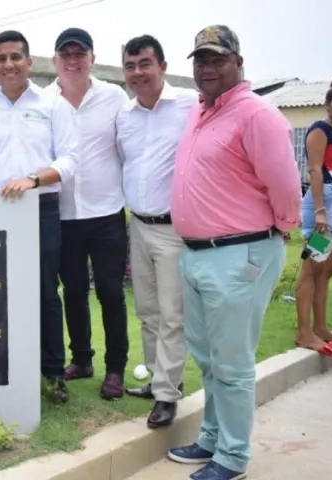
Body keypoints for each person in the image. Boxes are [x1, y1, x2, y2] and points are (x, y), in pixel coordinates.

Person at [166, 26, 302, 480]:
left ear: (238, 63)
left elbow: (285, 190)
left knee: (233, 365)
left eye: (216, 59)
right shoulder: (201, 112)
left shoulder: (256, 115)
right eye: (200, 60)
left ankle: (233, 456)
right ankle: (211, 438)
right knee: (207, 360)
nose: (206, 68)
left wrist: (276, 233)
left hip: (239, 255)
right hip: (198, 255)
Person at [0, 30, 79, 403]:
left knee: (46, 292)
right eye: (1, 58)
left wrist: (33, 179)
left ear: (29, 62)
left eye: (16, 57)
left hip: (40, 209)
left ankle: (53, 372)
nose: (9, 65)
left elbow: (68, 160)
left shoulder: (53, 104)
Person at [115, 34, 197, 428]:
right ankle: (155, 378)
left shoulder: (189, 105)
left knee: (172, 315)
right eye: (130, 66)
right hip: (139, 227)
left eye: (145, 64)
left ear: (162, 66)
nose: (137, 73)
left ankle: (167, 394)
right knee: (147, 310)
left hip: (173, 230)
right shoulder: (125, 116)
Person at [45, 27, 130, 399]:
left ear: (92, 58)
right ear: (55, 61)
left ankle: (116, 369)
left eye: (80, 54)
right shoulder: (44, 100)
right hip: (63, 213)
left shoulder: (114, 97)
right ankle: (81, 358)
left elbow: (128, 148)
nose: (73, 60)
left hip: (107, 212)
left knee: (111, 292)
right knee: (74, 291)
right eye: (67, 54)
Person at [294, 84, 332, 357]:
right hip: (324, 205)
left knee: (327, 271)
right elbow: (314, 170)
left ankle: (321, 327)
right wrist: (321, 212)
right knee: (312, 270)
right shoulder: (320, 130)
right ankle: (303, 332)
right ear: (327, 104)